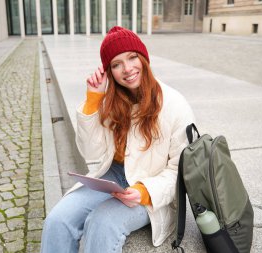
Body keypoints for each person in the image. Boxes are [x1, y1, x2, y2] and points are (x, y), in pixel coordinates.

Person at [41, 26, 195, 253]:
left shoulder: (174, 104)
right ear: (108, 71)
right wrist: (93, 100)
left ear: (143, 58)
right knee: (57, 220)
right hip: (113, 176)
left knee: (102, 223)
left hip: (152, 185)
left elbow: (181, 171)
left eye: (132, 57)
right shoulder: (112, 101)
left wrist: (144, 191)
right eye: (116, 64)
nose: (127, 69)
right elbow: (90, 152)